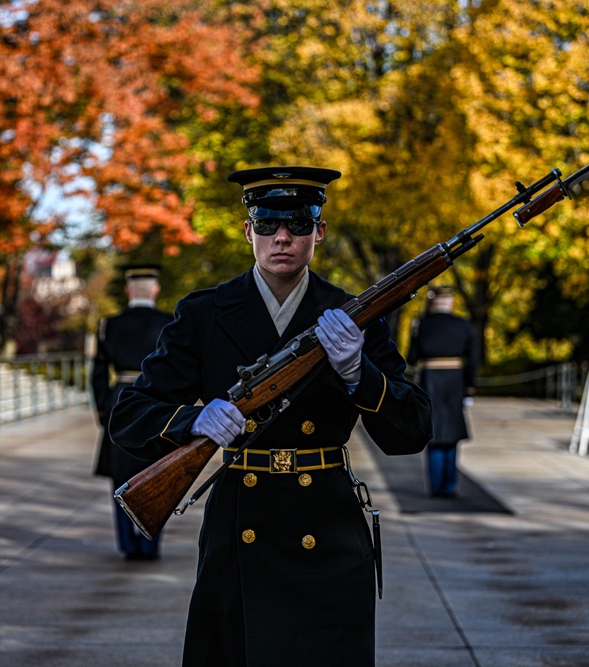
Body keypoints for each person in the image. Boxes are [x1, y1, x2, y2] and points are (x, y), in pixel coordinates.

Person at [109, 166, 433, 666]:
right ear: (248, 231)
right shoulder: (203, 313)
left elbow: (412, 430)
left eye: (299, 224)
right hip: (240, 526)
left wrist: (357, 373)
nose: (283, 237)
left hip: (327, 531)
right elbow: (129, 415)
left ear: (319, 232)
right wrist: (192, 421)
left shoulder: (353, 315)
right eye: (267, 224)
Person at [92, 264, 174, 561]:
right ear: (155, 290)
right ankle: (150, 544)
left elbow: (98, 373)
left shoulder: (110, 325)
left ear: (128, 291)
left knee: (121, 478)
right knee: (159, 476)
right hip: (156, 404)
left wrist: (103, 411)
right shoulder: (170, 322)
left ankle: (129, 545)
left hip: (119, 402)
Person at [406, 285, 477, 498]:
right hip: (454, 381)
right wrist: (470, 388)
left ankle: (437, 486)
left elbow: (411, 358)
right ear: (451, 302)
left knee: (434, 433)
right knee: (452, 434)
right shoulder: (463, 325)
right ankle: (449, 485)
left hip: (431, 381)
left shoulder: (422, 325)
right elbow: (472, 360)